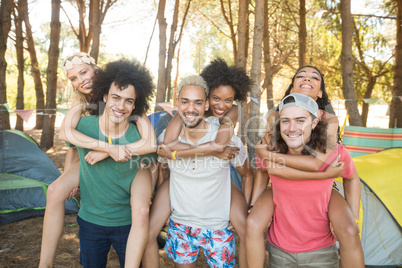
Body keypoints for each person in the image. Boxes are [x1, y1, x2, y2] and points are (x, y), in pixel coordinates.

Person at [39, 54, 156, 268]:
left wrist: (108, 150)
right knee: (55, 191)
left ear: (97, 69)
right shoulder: (80, 101)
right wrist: (105, 150)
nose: (80, 80)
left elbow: (150, 144)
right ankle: (44, 264)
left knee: (141, 208)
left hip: (129, 158)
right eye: (73, 78)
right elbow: (68, 138)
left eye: (83, 72)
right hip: (93, 154)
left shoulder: (123, 92)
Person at [248, 66, 364, 267]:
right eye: (300, 76)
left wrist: (269, 158)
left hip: (325, 180)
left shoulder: (328, 120)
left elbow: (318, 162)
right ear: (292, 87)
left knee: (349, 230)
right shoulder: (276, 118)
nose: (306, 79)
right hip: (286, 182)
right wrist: (254, 202)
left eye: (314, 77)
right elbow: (267, 169)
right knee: (254, 221)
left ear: (320, 93)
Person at [143, 59, 253, 267]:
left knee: (245, 228)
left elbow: (225, 150)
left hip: (216, 216)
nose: (222, 105)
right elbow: (165, 149)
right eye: (217, 99)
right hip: (183, 217)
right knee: (148, 232)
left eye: (228, 100)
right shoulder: (178, 121)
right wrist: (206, 152)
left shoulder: (228, 124)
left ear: (206, 103)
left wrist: (213, 149)